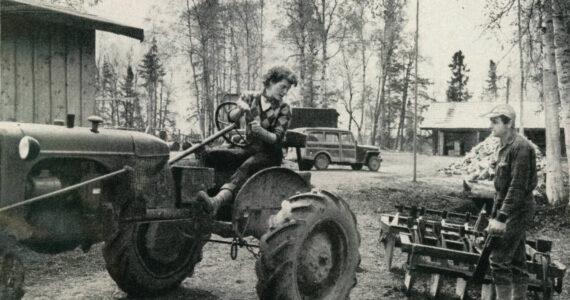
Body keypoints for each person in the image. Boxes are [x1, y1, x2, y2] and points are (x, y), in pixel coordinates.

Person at [196, 66, 298, 216]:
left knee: (247, 166)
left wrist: (262, 132)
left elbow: (277, 138)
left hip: (270, 154)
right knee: (213, 155)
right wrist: (240, 110)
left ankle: (216, 202)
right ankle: (202, 196)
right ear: (270, 82)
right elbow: (231, 117)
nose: (284, 92)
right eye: (282, 87)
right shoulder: (250, 97)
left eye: (287, 89)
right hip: (249, 147)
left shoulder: (284, 109)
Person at [482, 103, 537, 300]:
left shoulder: (521, 147)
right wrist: (495, 215)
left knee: (498, 260)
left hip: (518, 210)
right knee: (516, 261)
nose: (491, 126)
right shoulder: (504, 147)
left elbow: (517, 188)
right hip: (509, 209)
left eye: (495, 122)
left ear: (509, 123)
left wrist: (501, 218)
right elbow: (502, 189)